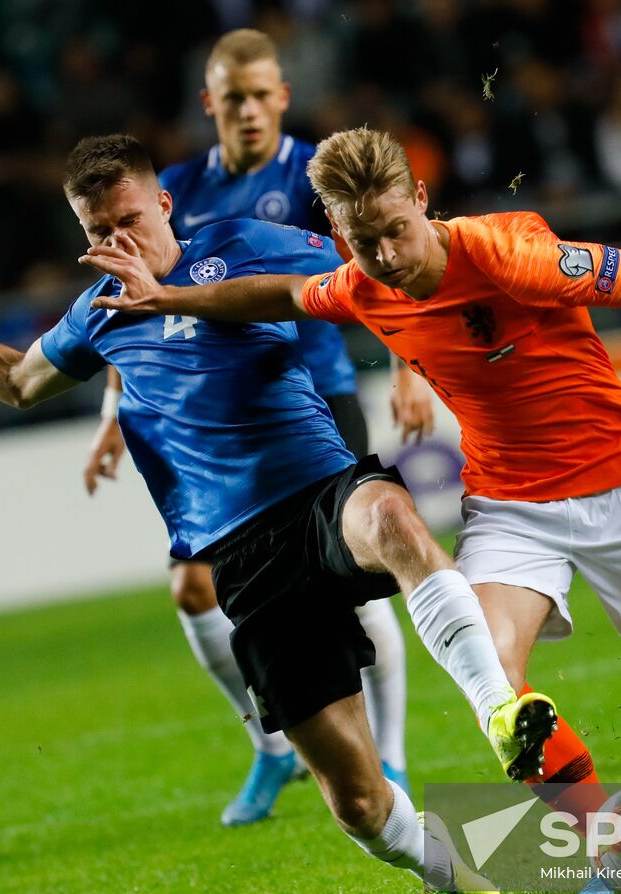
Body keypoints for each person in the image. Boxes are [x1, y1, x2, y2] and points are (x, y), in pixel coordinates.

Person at [77, 125, 621, 894]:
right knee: (500, 691)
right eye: (364, 242)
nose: (387, 258)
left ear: (422, 198)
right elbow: (285, 292)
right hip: (513, 506)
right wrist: (166, 300)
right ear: (336, 227)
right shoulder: (360, 282)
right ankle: (605, 849)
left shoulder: (507, 254)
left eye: (397, 231)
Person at [0, 133, 561, 894]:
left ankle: (499, 708)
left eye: (127, 219)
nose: (116, 241)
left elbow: (377, 270)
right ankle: (452, 871)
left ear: (162, 203)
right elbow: (15, 380)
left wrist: (412, 366)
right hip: (242, 553)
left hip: (323, 491)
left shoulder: (245, 245)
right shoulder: (97, 314)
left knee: (392, 518)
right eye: (97, 232)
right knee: (356, 803)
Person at [81, 29, 421, 826]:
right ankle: (272, 745)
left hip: (310, 393)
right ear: (211, 105)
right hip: (209, 418)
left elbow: (381, 260)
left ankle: (393, 753)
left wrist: (408, 365)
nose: (250, 109)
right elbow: (132, 300)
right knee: (190, 584)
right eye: (233, 97)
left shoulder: (312, 175)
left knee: (354, 576)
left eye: (263, 94)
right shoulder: (168, 187)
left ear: (284, 98)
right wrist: (111, 410)